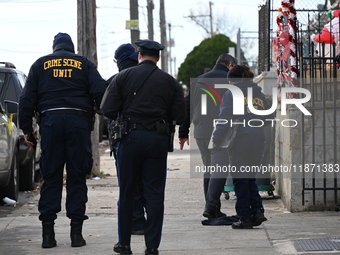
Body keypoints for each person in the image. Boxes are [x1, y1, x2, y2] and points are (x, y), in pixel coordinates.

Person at [18, 32, 107, 248]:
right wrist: (97, 110)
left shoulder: (40, 64)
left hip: (51, 124)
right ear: (71, 47)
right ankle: (76, 235)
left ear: (54, 47)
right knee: (77, 177)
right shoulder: (84, 63)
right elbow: (102, 92)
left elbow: (26, 99)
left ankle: (48, 236)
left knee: (51, 178)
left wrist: (27, 131)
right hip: (78, 124)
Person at [101, 39, 186, 255]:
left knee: (127, 192)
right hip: (157, 140)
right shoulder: (170, 82)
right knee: (155, 194)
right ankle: (152, 246)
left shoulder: (122, 78)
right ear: (158, 57)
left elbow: (107, 109)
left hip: (129, 139)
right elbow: (180, 116)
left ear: (139, 56)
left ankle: (124, 244)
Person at [212, 65, 273, 229]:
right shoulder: (258, 93)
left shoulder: (231, 93)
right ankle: (257, 211)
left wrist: (216, 140)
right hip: (258, 137)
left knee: (240, 179)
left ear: (233, 80)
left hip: (240, 139)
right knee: (250, 177)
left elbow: (224, 118)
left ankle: (244, 217)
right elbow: (269, 115)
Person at [178, 53, 237, 218]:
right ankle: (212, 207)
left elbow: (187, 106)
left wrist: (183, 133)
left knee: (209, 169)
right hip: (224, 131)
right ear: (230, 65)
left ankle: (212, 207)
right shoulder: (231, 80)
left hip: (202, 131)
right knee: (220, 170)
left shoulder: (198, 80)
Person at [109, 43, 146, 235]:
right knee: (147, 182)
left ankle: (137, 222)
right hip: (152, 138)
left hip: (123, 139)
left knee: (128, 183)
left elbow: (105, 108)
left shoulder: (115, 80)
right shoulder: (152, 77)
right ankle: (151, 221)